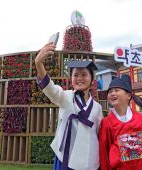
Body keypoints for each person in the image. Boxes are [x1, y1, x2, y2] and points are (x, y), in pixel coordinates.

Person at [35, 42, 103, 170]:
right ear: (71, 78)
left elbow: (100, 134)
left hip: (90, 160)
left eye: (84, 74)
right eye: (75, 75)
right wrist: (39, 63)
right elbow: (50, 88)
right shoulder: (65, 97)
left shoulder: (97, 108)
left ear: (92, 79)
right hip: (67, 158)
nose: (79, 78)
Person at [99, 74, 142, 170]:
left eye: (117, 90)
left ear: (128, 95)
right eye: (110, 91)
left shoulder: (141, 120)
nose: (112, 93)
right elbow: (104, 154)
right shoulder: (106, 123)